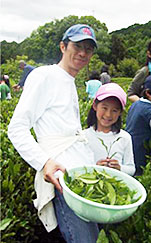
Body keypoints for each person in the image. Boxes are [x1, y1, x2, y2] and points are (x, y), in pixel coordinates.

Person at [8, 24, 99, 243]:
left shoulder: (69, 80)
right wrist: (44, 162)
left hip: (81, 176)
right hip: (63, 180)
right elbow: (17, 128)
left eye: (88, 48)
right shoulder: (44, 76)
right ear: (62, 47)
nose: (83, 53)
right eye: (77, 46)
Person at [84, 83, 136, 176]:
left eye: (114, 110)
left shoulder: (124, 138)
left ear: (120, 112)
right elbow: (77, 167)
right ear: (95, 106)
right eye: (104, 108)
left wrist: (119, 168)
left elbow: (131, 169)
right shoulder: (83, 137)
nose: (108, 114)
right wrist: (95, 168)